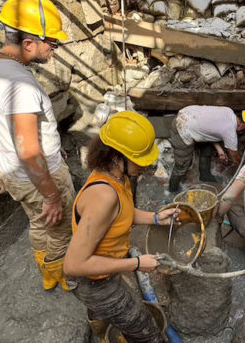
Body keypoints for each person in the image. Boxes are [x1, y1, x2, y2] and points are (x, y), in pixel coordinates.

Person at [0, 0, 74, 291]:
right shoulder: (22, 86)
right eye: (51, 44)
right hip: (39, 177)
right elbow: (29, 151)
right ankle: (63, 273)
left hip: (12, 173)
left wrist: (53, 145)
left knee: (39, 223)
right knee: (60, 227)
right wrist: (53, 195)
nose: (54, 50)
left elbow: (16, 130)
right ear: (29, 43)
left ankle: (46, 272)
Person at [64, 111, 177, 343]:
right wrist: (136, 263)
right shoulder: (103, 196)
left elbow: (123, 213)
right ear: (117, 157)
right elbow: (74, 264)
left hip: (105, 271)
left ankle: (100, 324)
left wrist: (156, 218)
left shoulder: (116, 177)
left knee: (120, 315)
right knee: (147, 332)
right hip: (95, 282)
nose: (147, 165)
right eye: (141, 159)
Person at [168, 105, 245, 192]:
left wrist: (220, 150)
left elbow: (211, 131)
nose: (241, 133)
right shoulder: (230, 131)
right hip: (182, 127)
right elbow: (235, 157)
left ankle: (205, 175)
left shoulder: (228, 111)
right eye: (243, 131)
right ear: (242, 126)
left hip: (188, 114)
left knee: (207, 150)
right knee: (182, 164)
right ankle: (172, 189)